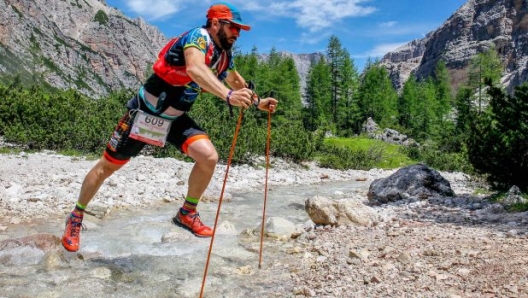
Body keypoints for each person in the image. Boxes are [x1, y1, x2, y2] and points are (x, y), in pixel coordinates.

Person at [61, 2, 278, 252]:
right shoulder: (198, 38)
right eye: (233, 28)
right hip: (145, 113)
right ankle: (76, 217)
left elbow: (235, 80)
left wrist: (258, 101)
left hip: (175, 118)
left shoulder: (224, 56)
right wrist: (228, 96)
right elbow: (195, 68)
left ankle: (187, 213)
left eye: (239, 30)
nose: (237, 34)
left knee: (209, 157)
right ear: (216, 23)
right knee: (106, 167)